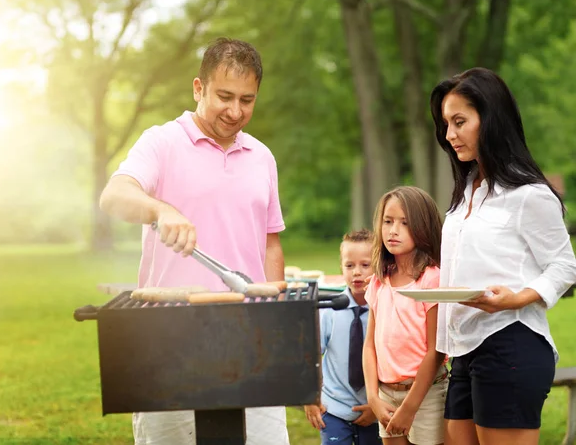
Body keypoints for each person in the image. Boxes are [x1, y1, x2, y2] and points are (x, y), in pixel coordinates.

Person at [99, 37, 289, 445]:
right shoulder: (162, 142)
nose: (235, 111)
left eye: (247, 99)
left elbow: (270, 242)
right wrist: (160, 210)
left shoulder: (262, 156)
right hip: (169, 339)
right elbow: (114, 196)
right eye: (224, 96)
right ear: (198, 88)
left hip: (250, 339)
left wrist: (277, 318)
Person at [429, 67, 576, 445]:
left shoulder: (529, 194)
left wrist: (518, 298)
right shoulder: (465, 194)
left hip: (511, 341)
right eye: (446, 123)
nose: (449, 134)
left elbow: (565, 265)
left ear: (490, 119)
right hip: (463, 351)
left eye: (459, 121)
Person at [363, 186, 448, 445]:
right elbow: (369, 346)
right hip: (386, 394)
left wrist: (409, 408)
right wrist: (373, 397)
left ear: (422, 227)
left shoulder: (432, 279)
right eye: (387, 221)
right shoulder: (379, 281)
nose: (393, 230)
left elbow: (436, 351)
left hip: (426, 395)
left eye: (404, 223)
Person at [303, 229, 382, 445]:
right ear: (341, 268)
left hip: (375, 409)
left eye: (365, 265)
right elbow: (310, 357)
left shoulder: (386, 311)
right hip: (334, 408)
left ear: (380, 265)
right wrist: (309, 397)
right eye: (349, 265)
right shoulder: (329, 310)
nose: (357, 272)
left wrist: (378, 405)